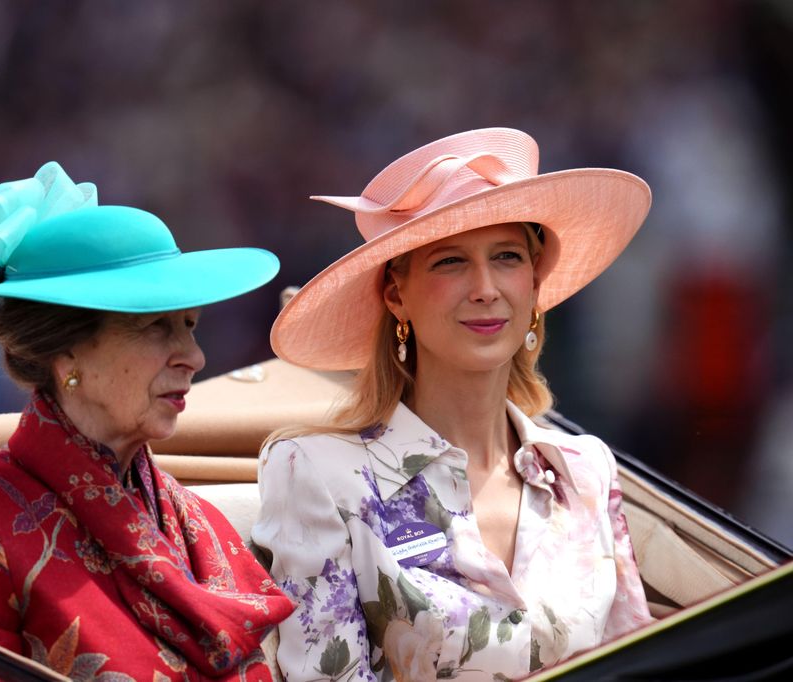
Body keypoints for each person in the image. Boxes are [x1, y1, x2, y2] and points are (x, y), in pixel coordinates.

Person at [251, 128, 654, 681]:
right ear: (396, 294)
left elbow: (642, 662)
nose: (486, 287)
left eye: (507, 257)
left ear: (534, 285)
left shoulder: (586, 469)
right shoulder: (317, 472)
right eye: (450, 262)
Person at [0, 162, 294, 681]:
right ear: (67, 355)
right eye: (156, 327)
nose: (193, 356)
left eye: (190, 325)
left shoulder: (200, 525)